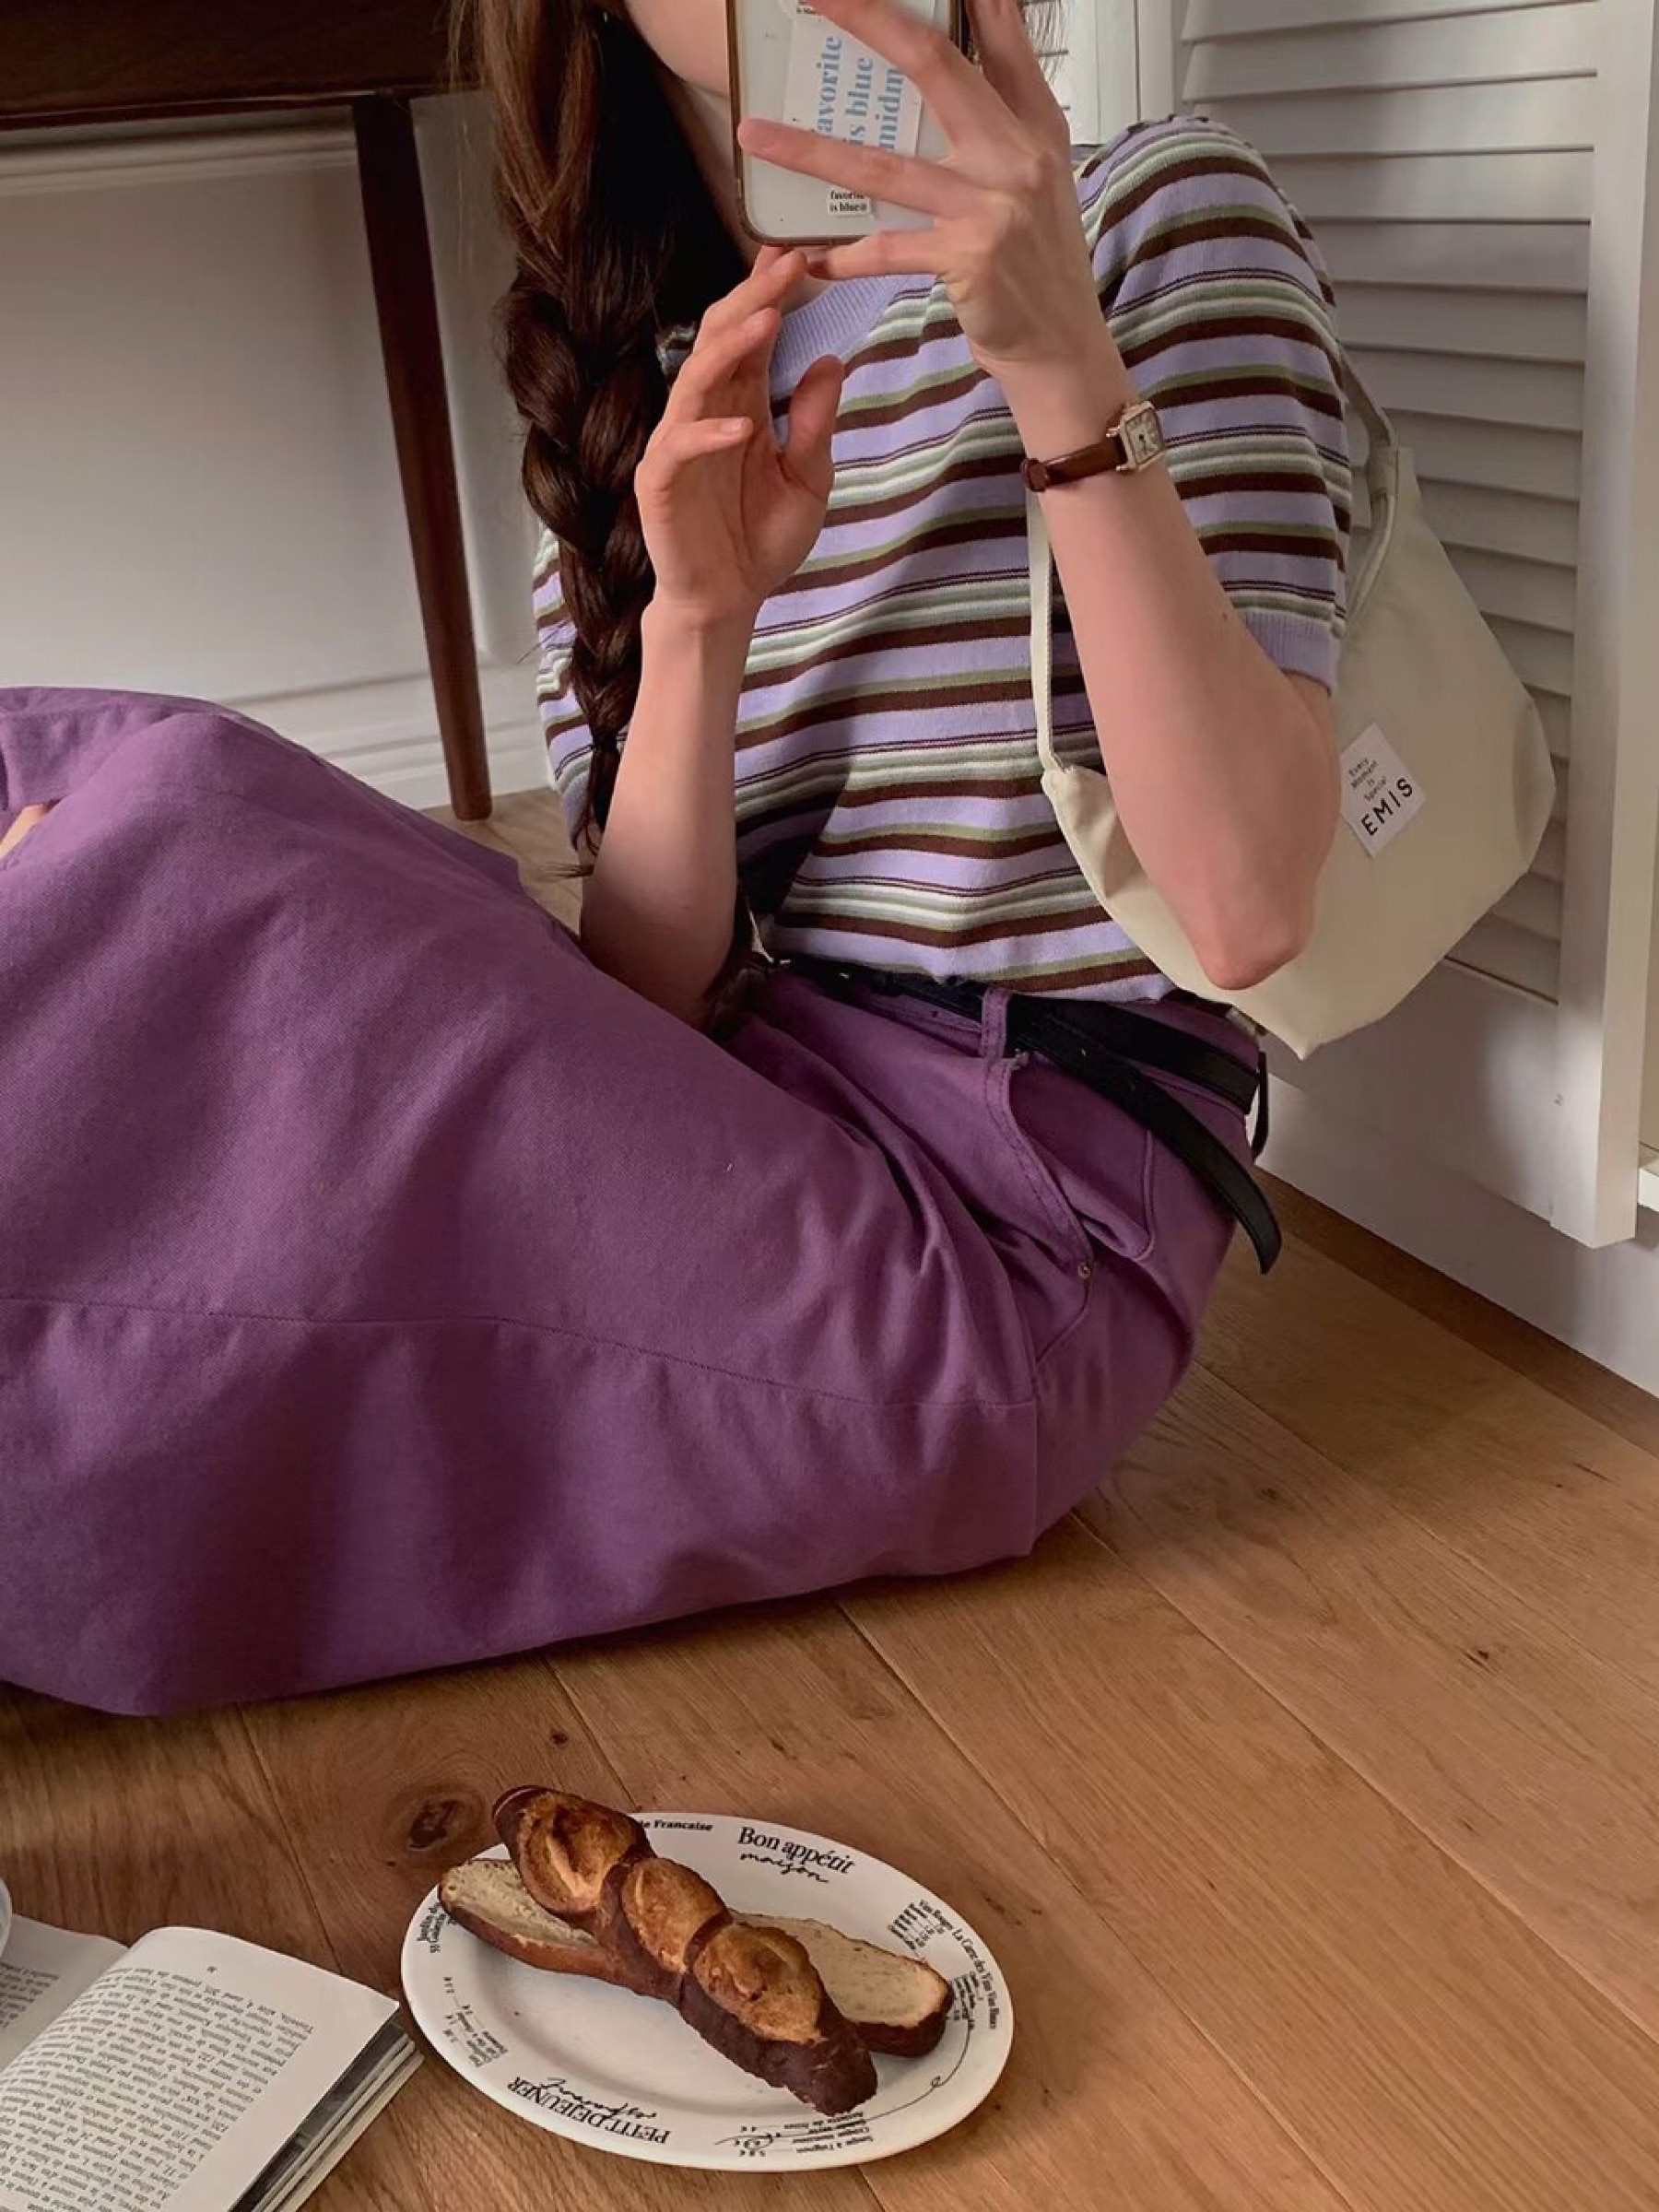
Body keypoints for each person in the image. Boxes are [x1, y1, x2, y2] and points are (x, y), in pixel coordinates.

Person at [0, 0, 1349, 1716]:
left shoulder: (1150, 213)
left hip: (1007, 1227)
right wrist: (702, 621)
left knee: (187, 826)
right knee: (77, 776)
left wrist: (1059, 366)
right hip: (738, 1101)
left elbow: (1246, 910)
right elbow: (651, 995)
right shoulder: (641, 376)